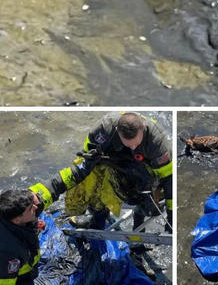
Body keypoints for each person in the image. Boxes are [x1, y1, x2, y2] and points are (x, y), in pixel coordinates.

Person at [29, 112, 172, 234]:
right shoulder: (103, 130)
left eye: (136, 144)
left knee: (147, 203)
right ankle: (98, 219)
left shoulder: (157, 143)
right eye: (128, 144)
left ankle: (138, 228)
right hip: (113, 164)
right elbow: (82, 165)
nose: (133, 147)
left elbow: (168, 180)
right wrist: (46, 193)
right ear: (117, 130)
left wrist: (171, 215)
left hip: (144, 171)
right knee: (92, 183)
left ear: (144, 129)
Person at [0, 189, 42, 285]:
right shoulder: (8, 250)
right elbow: (5, 281)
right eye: (31, 208)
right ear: (17, 220)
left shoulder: (15, 214)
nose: (36, 206)